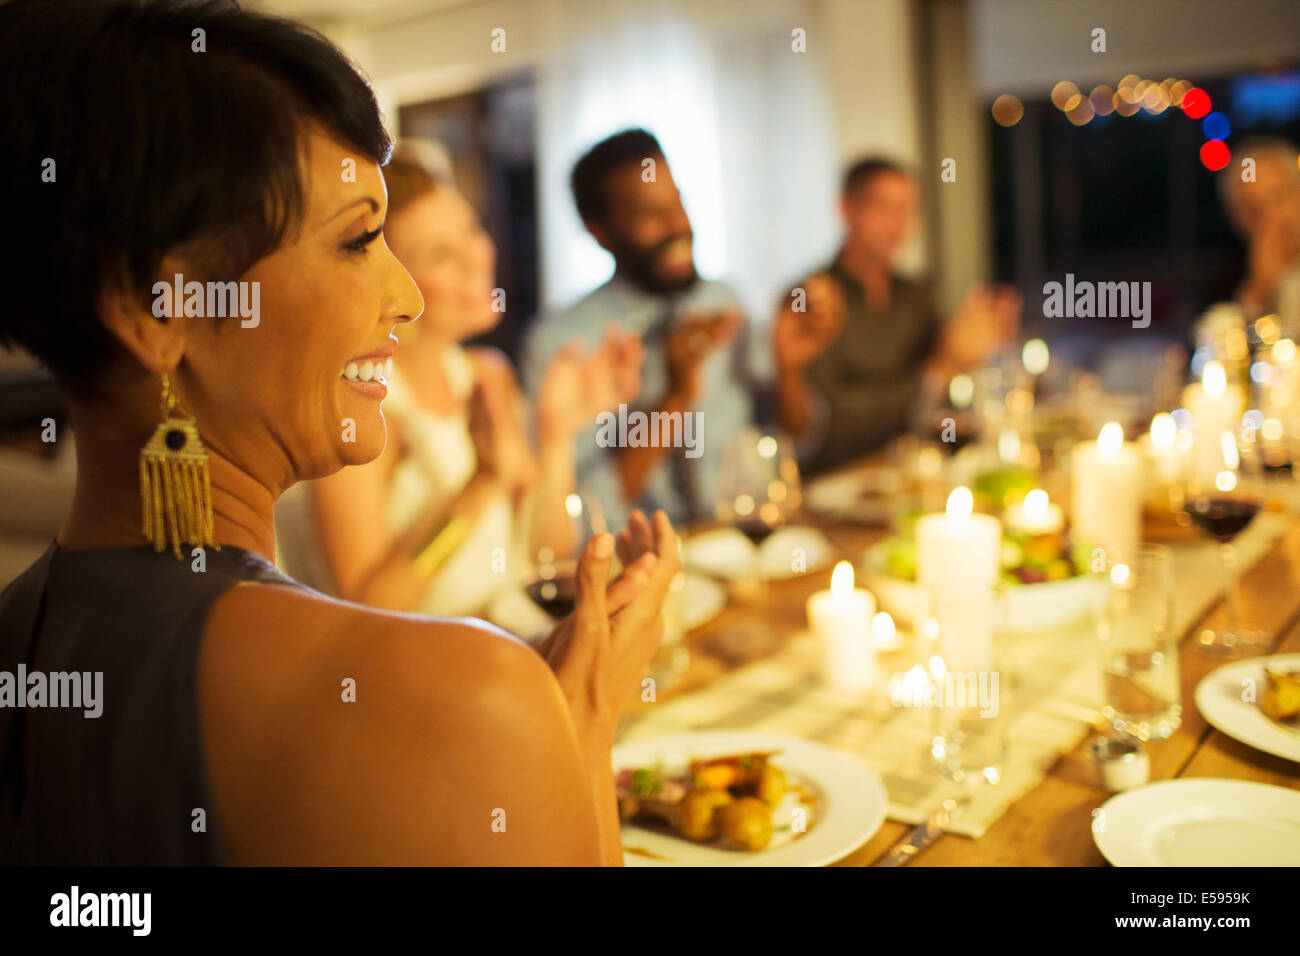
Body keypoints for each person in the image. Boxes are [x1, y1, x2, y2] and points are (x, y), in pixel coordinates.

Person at [0, 0, 678, 866]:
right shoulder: (465, 698)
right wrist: (576, 714)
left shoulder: (21, 632)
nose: (410, 297)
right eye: (359, 241)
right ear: (159, 308)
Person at [279, 142, 643, 632]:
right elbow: (367, 605)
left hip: (515, 650)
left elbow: (545, 559)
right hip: (426, 678)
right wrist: (480, 486)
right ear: (390, 279)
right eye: (440, 255)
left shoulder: (488, 375)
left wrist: (555, 436)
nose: (477, 259)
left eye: (471, 230)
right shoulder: (360, 404)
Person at [522, 129, 758, 531]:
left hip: (749, 533)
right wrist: (676, 395)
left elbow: (782, 439)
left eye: (678, 203)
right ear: (600, 232)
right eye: (651, 214)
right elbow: (579, 516)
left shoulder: (723, 300)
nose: (677, 225)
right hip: (637, 559)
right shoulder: (565, 344)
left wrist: (792, 365)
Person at [774, 157, 1020, 475]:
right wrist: (936, 372)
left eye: (907, 209)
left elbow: (946, 404)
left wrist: (985, 347)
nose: (898, 223)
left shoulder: (916, 295)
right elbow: (827, 427)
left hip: (916, 478)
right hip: (835, 487)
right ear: (846, 208)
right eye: (883, 208)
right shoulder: (811, 302)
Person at [1217, 136, 1300, 336]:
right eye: (1254, 210)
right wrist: (1259, 290)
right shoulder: (1228, 275)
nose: (1270, 219)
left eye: (1278, 198)